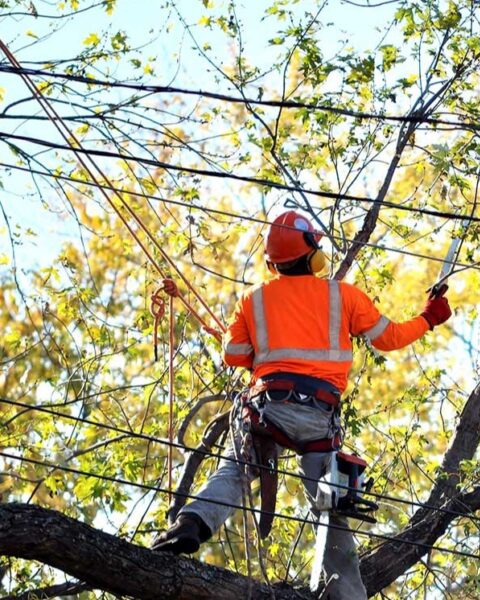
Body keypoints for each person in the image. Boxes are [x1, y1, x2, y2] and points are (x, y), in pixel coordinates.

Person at [151, 210, 452, 599]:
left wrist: (265, 349)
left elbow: (233, 353)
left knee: (236, 474)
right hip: (318, 418)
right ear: (312, 255)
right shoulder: (343, 295)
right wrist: (428, 318)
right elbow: (389, 337)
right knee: (329, 510)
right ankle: (348, 595)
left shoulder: (253, 299)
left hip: (267, 409)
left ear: (273, 262)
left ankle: (190, 523)